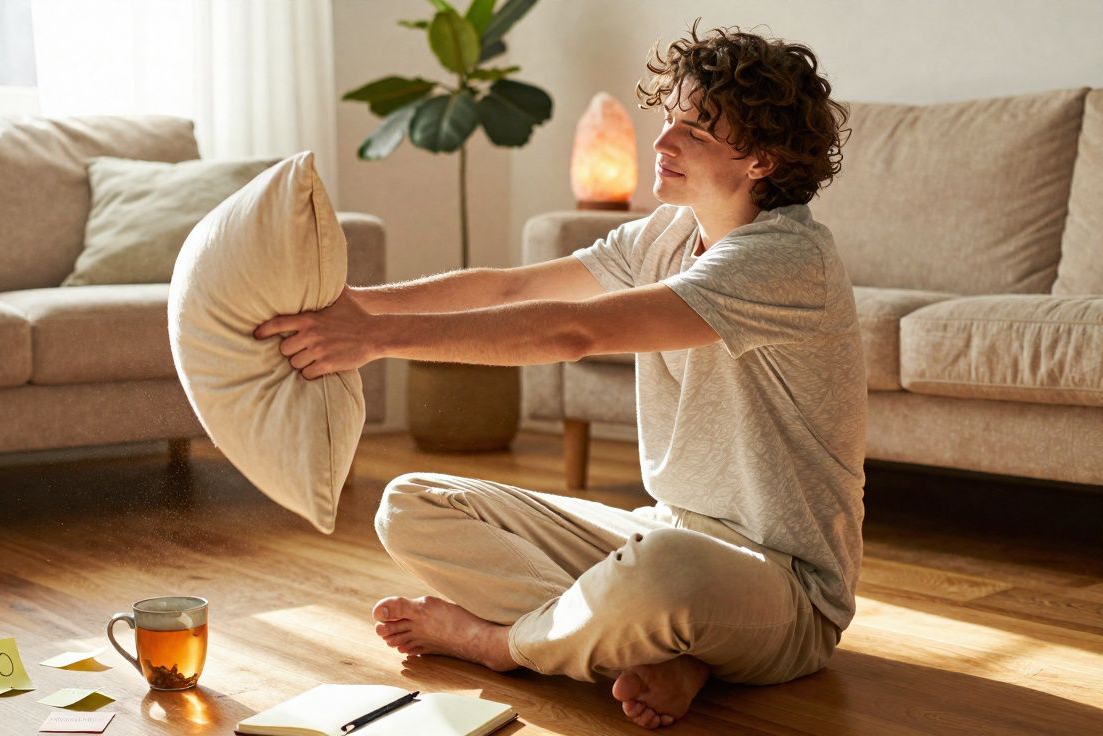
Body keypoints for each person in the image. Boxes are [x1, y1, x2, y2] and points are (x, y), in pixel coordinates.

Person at [254, 20, 860, 730]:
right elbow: (513, 291)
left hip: (785, 589)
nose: (661, 142)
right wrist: (357, 306)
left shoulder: (786, 260)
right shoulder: (666, 234)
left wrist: (378, 338)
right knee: (411, 503)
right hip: (657, 532)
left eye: (694, 129)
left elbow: (576, 331)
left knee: (667, 575)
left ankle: (506, 644)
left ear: (760, 158)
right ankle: (657, 649)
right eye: (667, 119)